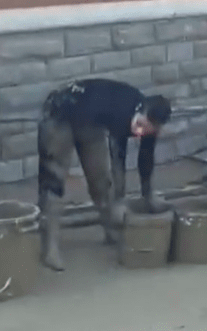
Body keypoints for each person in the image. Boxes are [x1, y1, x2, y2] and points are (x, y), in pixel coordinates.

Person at [37, 79, 172, 271]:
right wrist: (120, 199)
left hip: (91, 121)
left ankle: (109, 229)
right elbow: (118, 156)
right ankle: (50, 249)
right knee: (55, 181)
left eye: (147, 130)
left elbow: (146, 156)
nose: (141, 132)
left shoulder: (152, 117)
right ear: (140, 113)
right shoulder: (123, 111)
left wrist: (148, 194)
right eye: (140, 125)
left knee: (100, 179)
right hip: (60, 113)